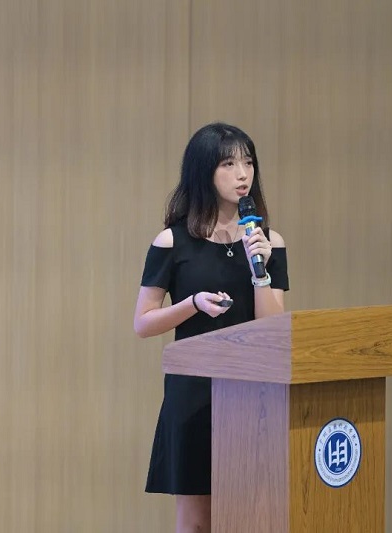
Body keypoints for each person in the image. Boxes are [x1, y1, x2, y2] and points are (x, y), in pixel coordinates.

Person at [133, 122, 289, 532]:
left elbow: (273, 330)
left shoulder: (268, 241)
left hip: (253, 395)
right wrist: (192, 304)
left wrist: (260, 272)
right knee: (197, 522)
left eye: (248, 163)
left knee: (250, 516)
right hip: (193, 392)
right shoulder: (173, 241)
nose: (242, 174)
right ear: (204, 171)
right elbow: (143, 323)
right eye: (228, 164)